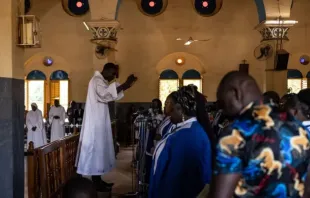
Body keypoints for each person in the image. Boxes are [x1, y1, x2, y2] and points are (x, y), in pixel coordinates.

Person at [209, 71, 310, 198]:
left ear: (236, 93)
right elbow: (307, 189)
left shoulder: (236, 133)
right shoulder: (299, 128)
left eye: (222, 102)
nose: (222, 109)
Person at [75, 62, 137, 192]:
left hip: (99, 122)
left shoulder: (100, 81)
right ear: (107, 70)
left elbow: (109, 94)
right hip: (95, 124)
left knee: (99, 151)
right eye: (113, 74)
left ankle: (98, 180)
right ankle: (95, 182)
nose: (113, 77)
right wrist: (125, 85)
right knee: (95, 151)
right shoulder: (97, 80)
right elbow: (105, 94)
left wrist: (126, 86)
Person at [149, 86, 212, 198]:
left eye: (171, 107)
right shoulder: (192, 129)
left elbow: (173, 177)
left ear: (180, 109)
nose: (168, 113)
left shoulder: (184, 136)